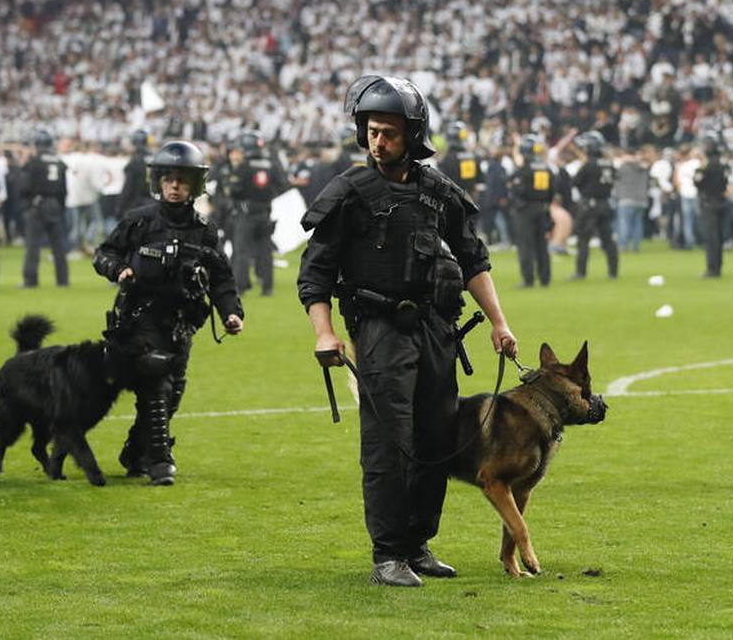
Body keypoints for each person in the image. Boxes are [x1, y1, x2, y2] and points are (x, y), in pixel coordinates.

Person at [297, 74, 517, 588]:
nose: (379, 141)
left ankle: (417, 544)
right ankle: (387, 554)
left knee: (437, 436)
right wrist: (324, 334)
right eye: (373, 131)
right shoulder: (349, 192)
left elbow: (473, 259)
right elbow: (315, 274)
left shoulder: (439, 192)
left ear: (413, 136)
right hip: (378, 329)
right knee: (388, 442)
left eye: (390, 132)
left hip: (437, 329)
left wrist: (500, 323)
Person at [93, 140, 244, 485]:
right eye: (169, 180)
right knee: (156, 384)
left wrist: (231, 313)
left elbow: (221, 276)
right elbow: (103, 254)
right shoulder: (138, 222)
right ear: (159, 183)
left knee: (173, 390)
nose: (175, 187)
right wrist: (119, 270)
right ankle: (159, 461)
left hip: (181, 323)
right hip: (140, 319)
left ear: (194, 185)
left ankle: (135, 451)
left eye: (182, 181)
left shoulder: (205, 230)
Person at [227, 130, 288, 296]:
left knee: (242, 250)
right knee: (265, 250)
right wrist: (268, 196)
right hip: (265, 211)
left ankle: (241, 286)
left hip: (246, 213)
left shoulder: (244, 166)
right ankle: (267, 287)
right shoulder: (271, 163)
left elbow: (233, 190)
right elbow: (283, 185)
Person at [19, 128, 70, 288]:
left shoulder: (33, 162)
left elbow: (24, 187)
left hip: (38, 204)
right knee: (58, 247)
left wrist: (27, 205)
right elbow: (64, 189)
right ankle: (62, 280)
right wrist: (60, 207)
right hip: (55, 204)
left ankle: (30, 279)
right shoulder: (59, 163)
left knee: (33, 245)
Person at [570, 130, 618, 280]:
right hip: (605, 204)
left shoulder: (589, 165)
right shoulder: (609, 164)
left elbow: (576, 182)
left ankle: (581, 272)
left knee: (583, 239)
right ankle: (613, 272)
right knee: (608, 240)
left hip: (589, 205)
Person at [508, 133, 554, 288]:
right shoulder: (547, 169)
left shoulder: (524, 170)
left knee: (526, 245)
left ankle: (528, 279)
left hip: (526, 210)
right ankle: (545, 278)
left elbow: (517, 190)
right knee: (542, 245)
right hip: (543, 208)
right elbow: (552, 191)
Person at [695, 132, 729, 277]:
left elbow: (698, 181)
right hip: (720, 201)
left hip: (709, 202)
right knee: (718, 237)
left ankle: (712, 268)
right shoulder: (721, 163)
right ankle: (718, 267)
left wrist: (700, 168)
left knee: (711, 237)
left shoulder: (708, 164)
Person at [118, 129, 154, 218]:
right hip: (153, 203)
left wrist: (120, 208)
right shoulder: (153, 158)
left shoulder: (135, 161)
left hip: (136, 204)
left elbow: (128, 188)